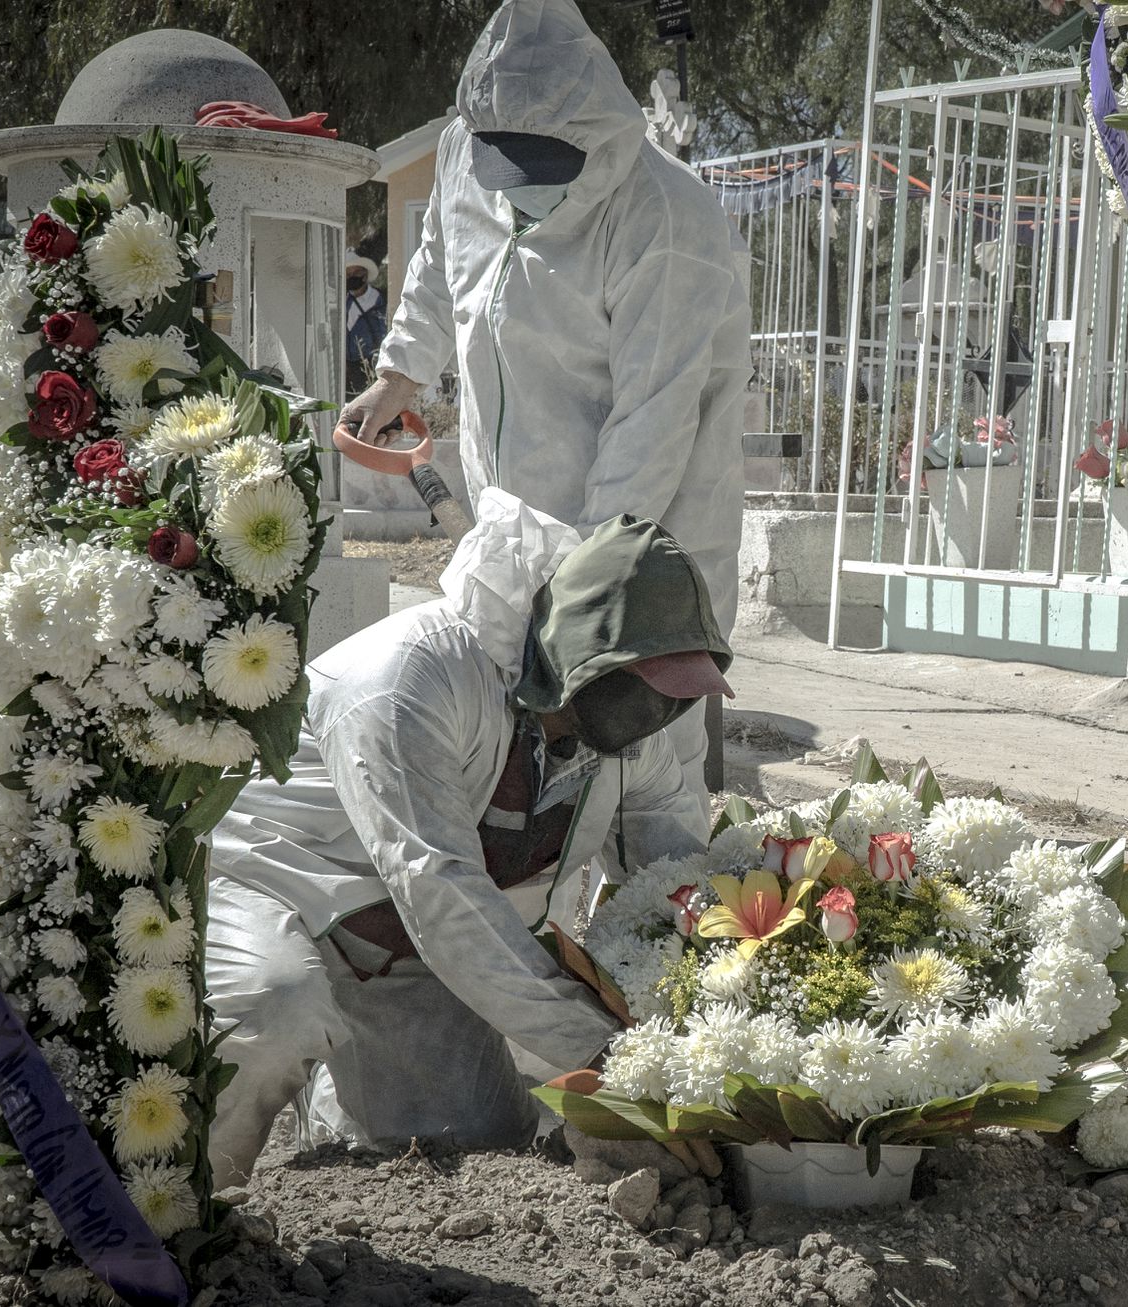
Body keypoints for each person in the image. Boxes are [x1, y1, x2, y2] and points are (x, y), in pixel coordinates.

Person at [204, 489, 733, 1186]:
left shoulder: (635, 737)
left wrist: (719, 1026)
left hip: (396, 949)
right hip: (268, 887)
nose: (663, 710)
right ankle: (180, 1218)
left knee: (476, 1139)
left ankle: (334, 1108)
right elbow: (437, 886)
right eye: (648, 684)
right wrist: (611, 1056)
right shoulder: (407, 678)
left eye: (681, 691)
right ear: (581, 655)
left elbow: (672, 882)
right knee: (274, 1014)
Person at [343, 0, 752, 797]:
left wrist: (581, 584)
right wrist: (399, 375)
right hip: (517, 523)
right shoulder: (467, 150)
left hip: (647, 547)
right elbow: (439, 268)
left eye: (545, 169)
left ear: (597, 139)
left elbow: (652, 421)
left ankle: (659, 912)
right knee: (521, 772)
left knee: (646, 776)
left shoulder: (665, 220)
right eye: (508, 169)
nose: (521, 191)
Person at [342, 250, 387, 394]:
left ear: (365, 274)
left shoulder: (380, 301)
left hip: (371, 365)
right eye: (348, 274)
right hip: (348, 368)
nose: (352, 277)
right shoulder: (343, 301)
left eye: (356, 273)